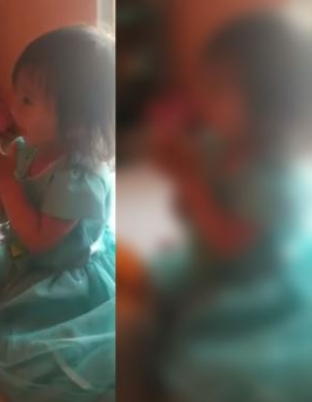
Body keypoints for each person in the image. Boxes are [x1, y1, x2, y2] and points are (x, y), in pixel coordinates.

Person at [144, 11, 312, 402]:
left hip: (260, 285)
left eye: (217, 89)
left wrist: (189, 178)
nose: (203, 99)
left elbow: (232, 242)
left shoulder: (274, 175)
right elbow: (190, 214)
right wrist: (184, 174)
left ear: (268, 104)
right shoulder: (219, 148)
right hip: (217, 267)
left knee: (215, 367)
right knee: (157, 301)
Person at [0, 25, 116, 401]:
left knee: (18, 351)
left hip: (63, 276)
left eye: (28, 100)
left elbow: (40, 241)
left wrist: (7, 182)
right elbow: (0, 217)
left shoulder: (79, 177)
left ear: (77, 117)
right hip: (23, 256)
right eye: (17, 93)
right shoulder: (26, 148)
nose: (14, 108)